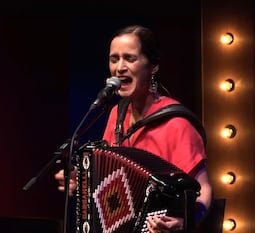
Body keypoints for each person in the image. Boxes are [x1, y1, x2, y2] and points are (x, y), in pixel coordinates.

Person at [55, 24, 212, 233]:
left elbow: (204, 190)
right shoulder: (116, 116)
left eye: (130, 58)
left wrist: (186, 222)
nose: (119, 67)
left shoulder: (177, 123)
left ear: (153, 66)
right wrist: (82, 181)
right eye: (114, 59)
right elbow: (110, 180)